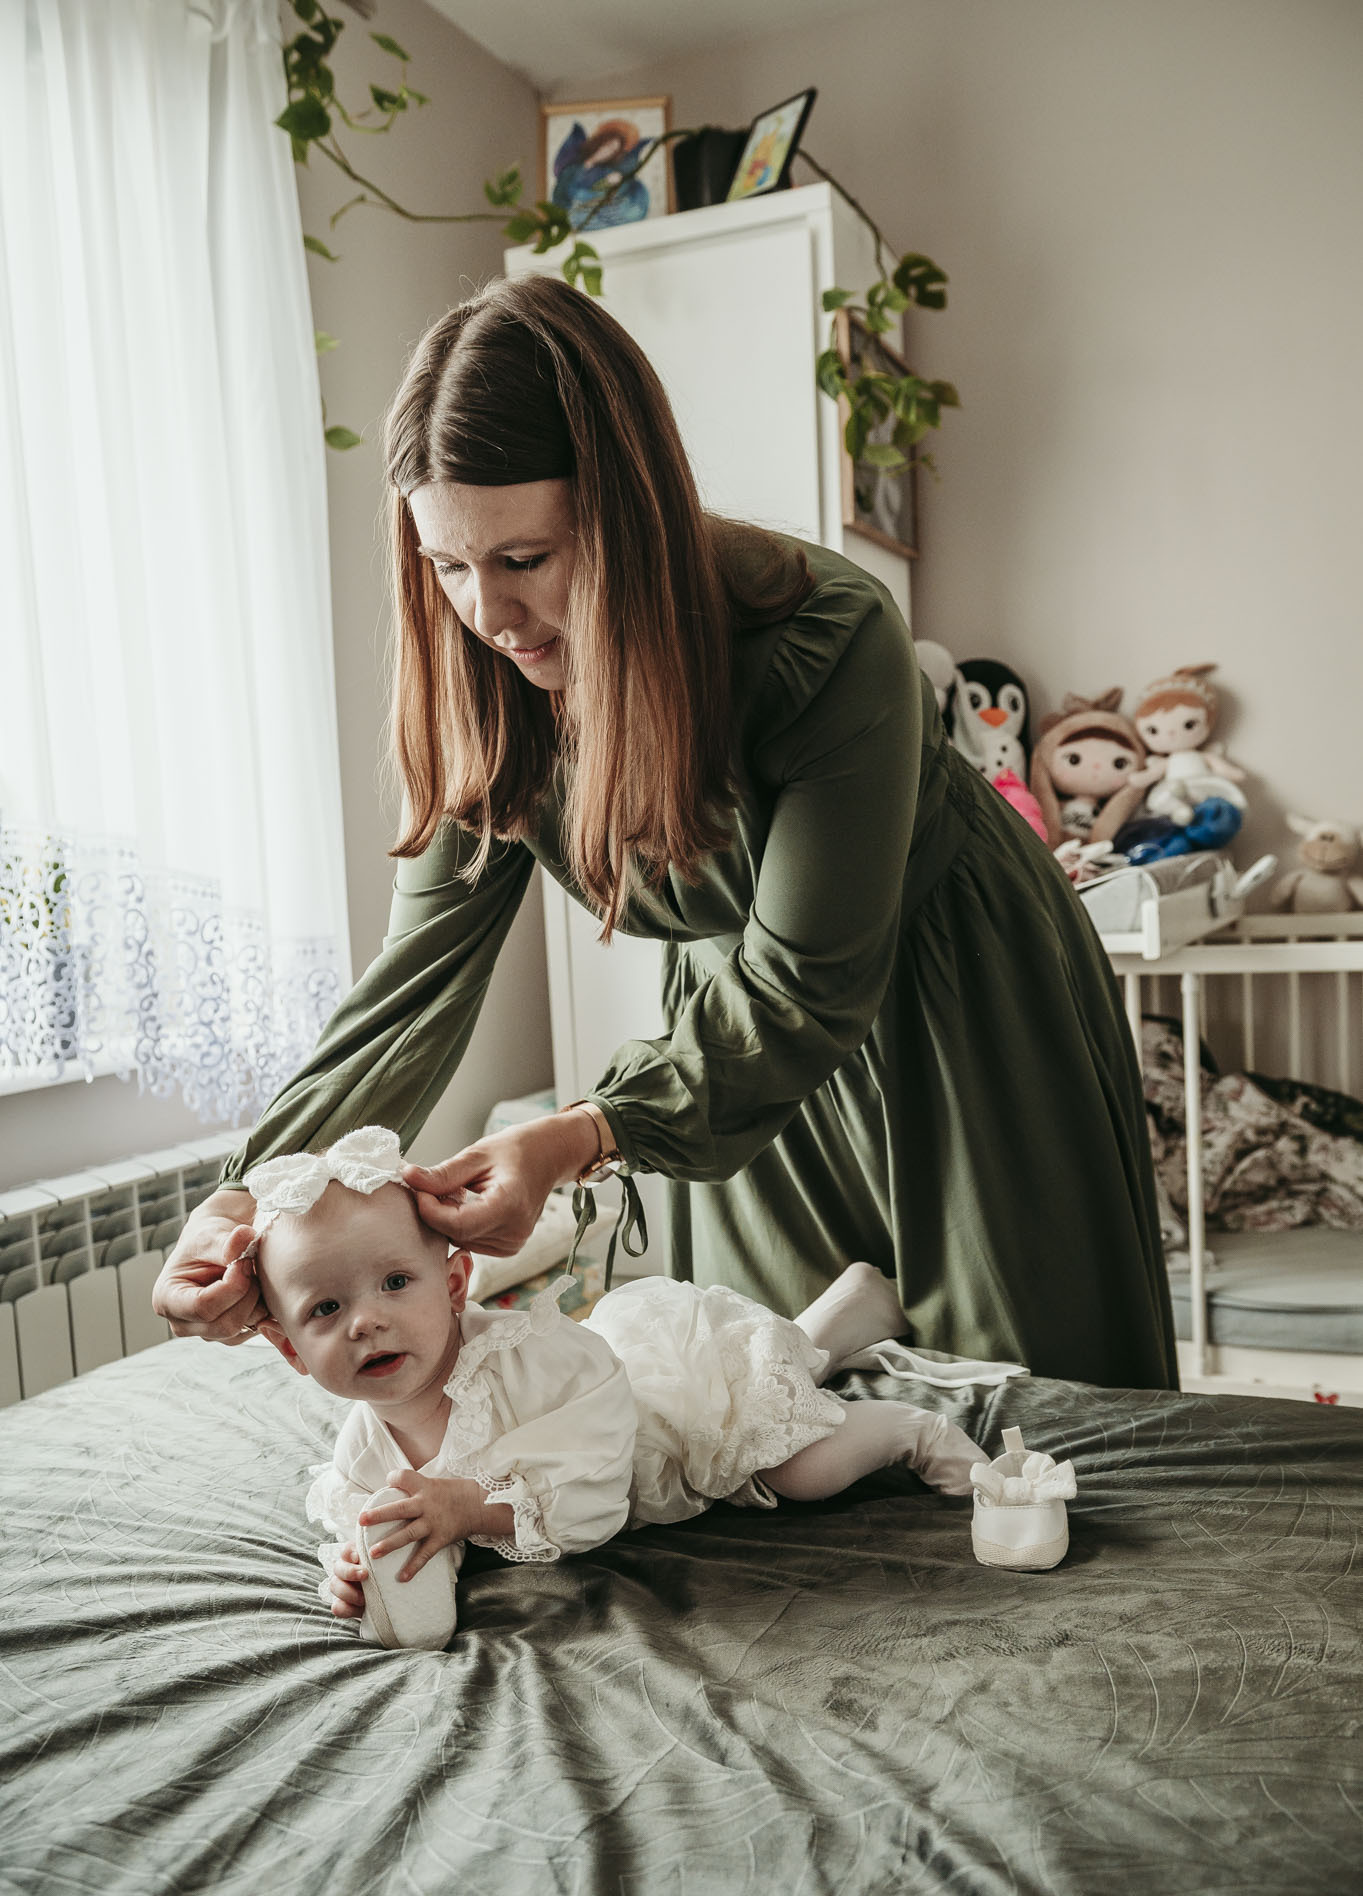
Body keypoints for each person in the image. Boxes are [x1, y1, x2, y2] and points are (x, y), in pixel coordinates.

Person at [153, 272, 1177, 1390]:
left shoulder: (822, 634)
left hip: (954, 996)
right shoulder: (485, 688)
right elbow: (415, 982)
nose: (489, 616)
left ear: (624, 518)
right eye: (447, 565)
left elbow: (809, 980)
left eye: (524, 560)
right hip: (728, 1050)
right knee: (758, 1396)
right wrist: (245, 1195)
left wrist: (577, 1134)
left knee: (1022, 1396)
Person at [247, 1129, 986, 1649]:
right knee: (781, 1375)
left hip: (673, 1420)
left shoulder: (529, 1358)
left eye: (395, 1283)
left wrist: (470, 1507)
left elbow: (596, 1495)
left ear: (453, 1285)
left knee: (790, 1454)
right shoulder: (362, 1453)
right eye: (325, 1308)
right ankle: (851, 1306)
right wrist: (358, 1574)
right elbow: (404, 1540)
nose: (366, 1322)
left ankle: (914, 1431)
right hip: (646, 1423)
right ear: (288, 1350)